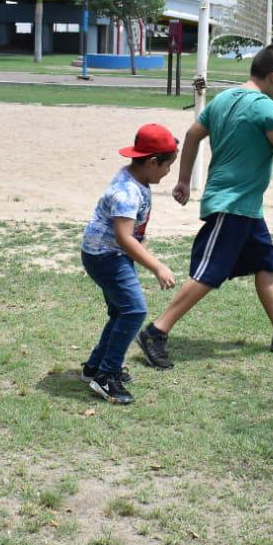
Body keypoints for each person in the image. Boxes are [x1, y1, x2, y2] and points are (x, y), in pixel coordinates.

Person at [136, 43, 273, 369]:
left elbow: (192, 134)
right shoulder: (265, 108)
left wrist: (184, 180)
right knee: (209, 273)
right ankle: (157, 331)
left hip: (247, 207)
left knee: (266, 264)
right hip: (232, 205)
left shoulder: (223, 99)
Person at [79, 124, 180, 405]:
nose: (168, 172)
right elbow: (124, 238)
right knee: (134, 310)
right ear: (152, 162)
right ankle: (107, 375)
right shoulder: (126, 192)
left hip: (108, 253)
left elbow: (130, 235)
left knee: (121, 312)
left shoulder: (137, 179)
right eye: (168, 166)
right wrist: (157, 266)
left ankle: (94, 367)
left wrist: (142, 247)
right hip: (106, 256)